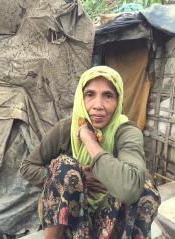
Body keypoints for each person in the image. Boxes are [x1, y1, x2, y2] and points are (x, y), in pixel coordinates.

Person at [20, 66, 160, 239]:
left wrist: (89, 140)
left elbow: (129, 189)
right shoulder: (67, 128)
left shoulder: (126, 132)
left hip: (109, 216)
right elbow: (27, 167)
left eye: (108, 96)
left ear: (118, 100)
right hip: (67, 214)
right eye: (90, 94)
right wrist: (75, 180)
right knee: (66, 166)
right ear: (81, 97)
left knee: (144, 185)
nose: (98, 106)